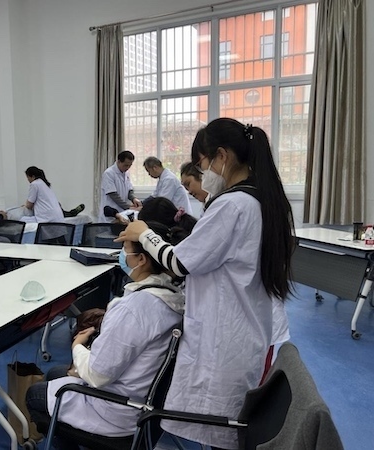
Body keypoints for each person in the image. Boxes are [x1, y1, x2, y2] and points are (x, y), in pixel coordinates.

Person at [115, 118, 294, 449]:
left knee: (222, 429)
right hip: (247, 327)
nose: (204, 174)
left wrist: (144, 233)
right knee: (228, 427)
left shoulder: (232, 204)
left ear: (221, 156)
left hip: (227, 340)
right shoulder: (261, 199)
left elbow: (181, 263)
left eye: (203, 164)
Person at [26, 222, 184, 447]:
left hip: (117, 413)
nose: (121, 255)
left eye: (125, 249)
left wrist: (77, 346)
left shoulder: (135, 308)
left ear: (141, 259)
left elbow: (97, 374)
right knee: (54, 373)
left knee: (34, 395)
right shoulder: (173, 297)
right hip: (145, 403)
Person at [98, 151, 141, 222]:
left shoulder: (126, 173)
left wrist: (134, 199)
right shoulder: (109, 173)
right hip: (110, 214)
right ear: (119, 161)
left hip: (122, 213)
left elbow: (129, 190)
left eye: (130, 165)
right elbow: (113, 194)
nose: (128, 168)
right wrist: (127, 207)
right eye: (126, 165)